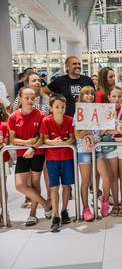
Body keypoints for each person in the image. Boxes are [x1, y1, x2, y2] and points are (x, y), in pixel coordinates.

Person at [8, 88, 51, 226]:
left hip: (37, 153)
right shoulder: (14, 117)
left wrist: (33, 147)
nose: (30, 101)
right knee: (20, 185)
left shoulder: (40, 115)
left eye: (32, 98)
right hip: (22, 154)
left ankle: (32, 214)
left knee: (35, 183)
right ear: (20, 99)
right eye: (26, 98)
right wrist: (26, 143)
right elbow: (12, 139)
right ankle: (45, 203)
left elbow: (41, 137)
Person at [74, 86, 112, 220]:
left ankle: (105, 201)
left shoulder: (98, 111)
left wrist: (108, 128)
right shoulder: (78, 112)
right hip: (83, 149)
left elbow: (101, 131)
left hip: (97, 148)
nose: (89, 96)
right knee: (86, 181)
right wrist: (88, 131)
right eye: (86, 94)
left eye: (91, 94)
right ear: (81, 96)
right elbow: (77, 133)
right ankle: (85, 208)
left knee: (107, 177)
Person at [39, 94, 75, 232]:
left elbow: (72, 138)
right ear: (51, 108)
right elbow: (45, 139)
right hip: (52, 160)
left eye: (62, 107)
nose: (60, 109)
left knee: (66, 186)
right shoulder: (46, 121)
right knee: (53, 188)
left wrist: (66, 142)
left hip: (67, 158)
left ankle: (64, 210)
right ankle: (55, 216)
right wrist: (52, 142)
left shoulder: (70, 120)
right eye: (57, 107)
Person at [105, 87, 122, 217]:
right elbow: (101, 130)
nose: (117, 99)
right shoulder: (104, 111)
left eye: (119, 96)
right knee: (113, 176)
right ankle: (115, 204)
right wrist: (114, 131)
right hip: (110, 144)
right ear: (109, 97)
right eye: (114, 96)